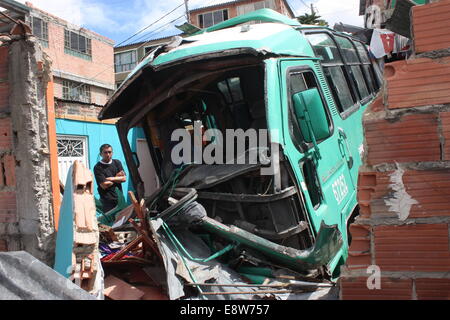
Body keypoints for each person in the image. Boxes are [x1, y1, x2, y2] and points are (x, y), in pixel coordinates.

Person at [94, 144, 126, 213]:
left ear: (112, 153)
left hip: (120, 199)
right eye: (105, 152)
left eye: (109, 152)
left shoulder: (117, 163)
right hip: (107, 201)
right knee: (111, 222)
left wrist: (111, 179)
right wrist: (117, 177)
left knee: (122, 221)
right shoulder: (98, 167)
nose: (108, 154)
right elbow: (104, 185)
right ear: (100, 154)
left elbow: (123, 179)